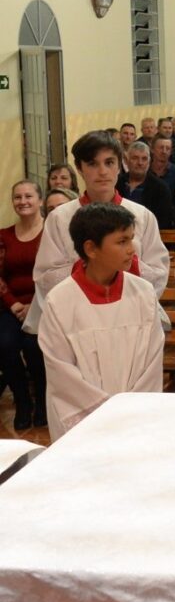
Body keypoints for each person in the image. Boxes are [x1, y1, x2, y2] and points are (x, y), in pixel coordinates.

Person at [37, 203, 164, 440]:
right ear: (91, 249)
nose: (132, 250)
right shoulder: (60, 301)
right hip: (85, 425)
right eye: (122, 241)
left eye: (132, 239)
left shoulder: (143, 293)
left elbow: (152, 362)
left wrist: (128, 410)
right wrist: (107, 414)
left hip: (135, 418)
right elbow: (63, 375)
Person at [33, 130, 169, 335]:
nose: (103, 171)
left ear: (119, 165)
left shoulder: (142, 216)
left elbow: (158, 274)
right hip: (77, 321)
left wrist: (126, 262)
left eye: (109, 162)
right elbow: (46, 277)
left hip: (132, 317)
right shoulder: (59, 218)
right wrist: (92, 266)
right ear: (79, 168)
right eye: (92, 164)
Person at [1, 180, 47, 429]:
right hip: (12, 305)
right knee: (5, 345)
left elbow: (55, 273)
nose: (23, 201)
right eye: (17, 197)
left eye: (28, 196)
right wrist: (13, 304)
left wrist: (35, 305)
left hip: (43, 305)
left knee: (34, 347)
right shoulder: (4, 235)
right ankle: (22, 402)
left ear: (40, 200)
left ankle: (42, 402)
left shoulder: (51, 232)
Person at [117, 140, 175, 230]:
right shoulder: (117, 184)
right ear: (126, 161)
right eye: (135, 158)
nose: (140, 163)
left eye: (144, 159)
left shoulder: (160, 189)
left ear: (149, 162)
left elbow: (163, 223)